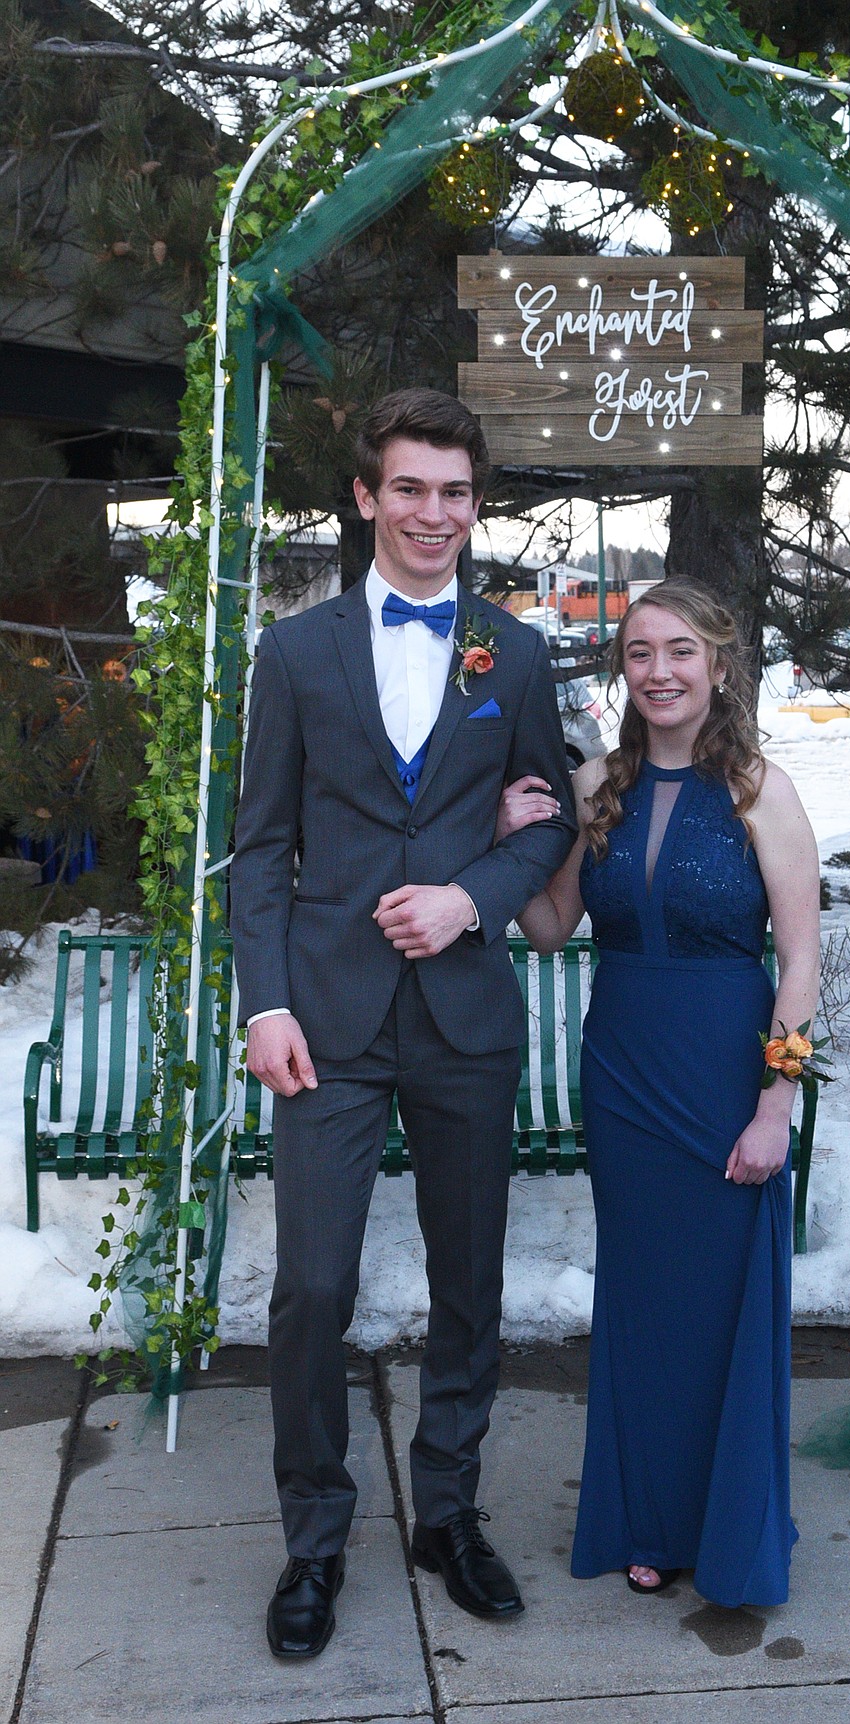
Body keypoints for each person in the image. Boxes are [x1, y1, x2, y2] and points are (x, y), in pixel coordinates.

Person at [230, 388, 576, 1658]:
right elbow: (261, 847)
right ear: (369, 497)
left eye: (457, 492)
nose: (437, 514)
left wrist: (473, 897)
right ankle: (314, 1538)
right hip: (324, 1016)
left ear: (476, 505)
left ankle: (448, 1512)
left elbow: (547, 816)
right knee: (313, 1287)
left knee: (469, 1280)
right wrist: (263, 1000)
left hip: (466, 1018)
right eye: (413, 489)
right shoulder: (298, 651)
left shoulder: (518, 651)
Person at [495, 581, 820, 1606]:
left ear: (718, 666)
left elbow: (804, 961)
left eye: (681, 650)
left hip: (726, 1064)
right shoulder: (599, 785)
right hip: (625, 1070)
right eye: (640, 652)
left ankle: (726, 1525)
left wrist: (776, 1106)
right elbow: (549, 929)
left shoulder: (764, 788)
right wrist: (513, 833)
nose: (660, 670)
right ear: (622, 670)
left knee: (724, 1305)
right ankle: (647, 1516)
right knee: (643, 1304)